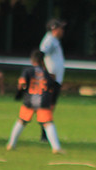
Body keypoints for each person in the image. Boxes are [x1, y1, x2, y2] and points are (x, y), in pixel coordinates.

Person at [6, 50, 55, 150]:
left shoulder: (27, 71)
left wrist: (19, 93)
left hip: (29, 100)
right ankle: (56, 147)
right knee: (48, 123)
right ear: (43, 61)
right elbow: (51, 87)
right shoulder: (47, 74)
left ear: (32, 60)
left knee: (22, 121)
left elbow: (21, 84)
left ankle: (11, 144)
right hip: (43, 101)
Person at [37, 18, 65, 152]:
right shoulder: (49, 40)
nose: (62, 30)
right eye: (60, 28)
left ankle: (46, 135)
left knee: (50, 108)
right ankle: (45, 135)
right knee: (47, 108)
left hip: (56, 81)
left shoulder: (54, 41)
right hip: (50, 81)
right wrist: (46, 73)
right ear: (54, 29)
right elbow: (40, 55)